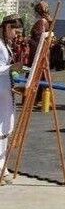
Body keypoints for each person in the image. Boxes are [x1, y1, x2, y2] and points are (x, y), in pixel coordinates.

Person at [0, 15, 23, 182]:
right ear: (8, 27)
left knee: (5, 127)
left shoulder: (5, 44)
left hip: (5, 91)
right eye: (15, 31)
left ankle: (2, 165)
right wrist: (12, 67)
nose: (16, 35)